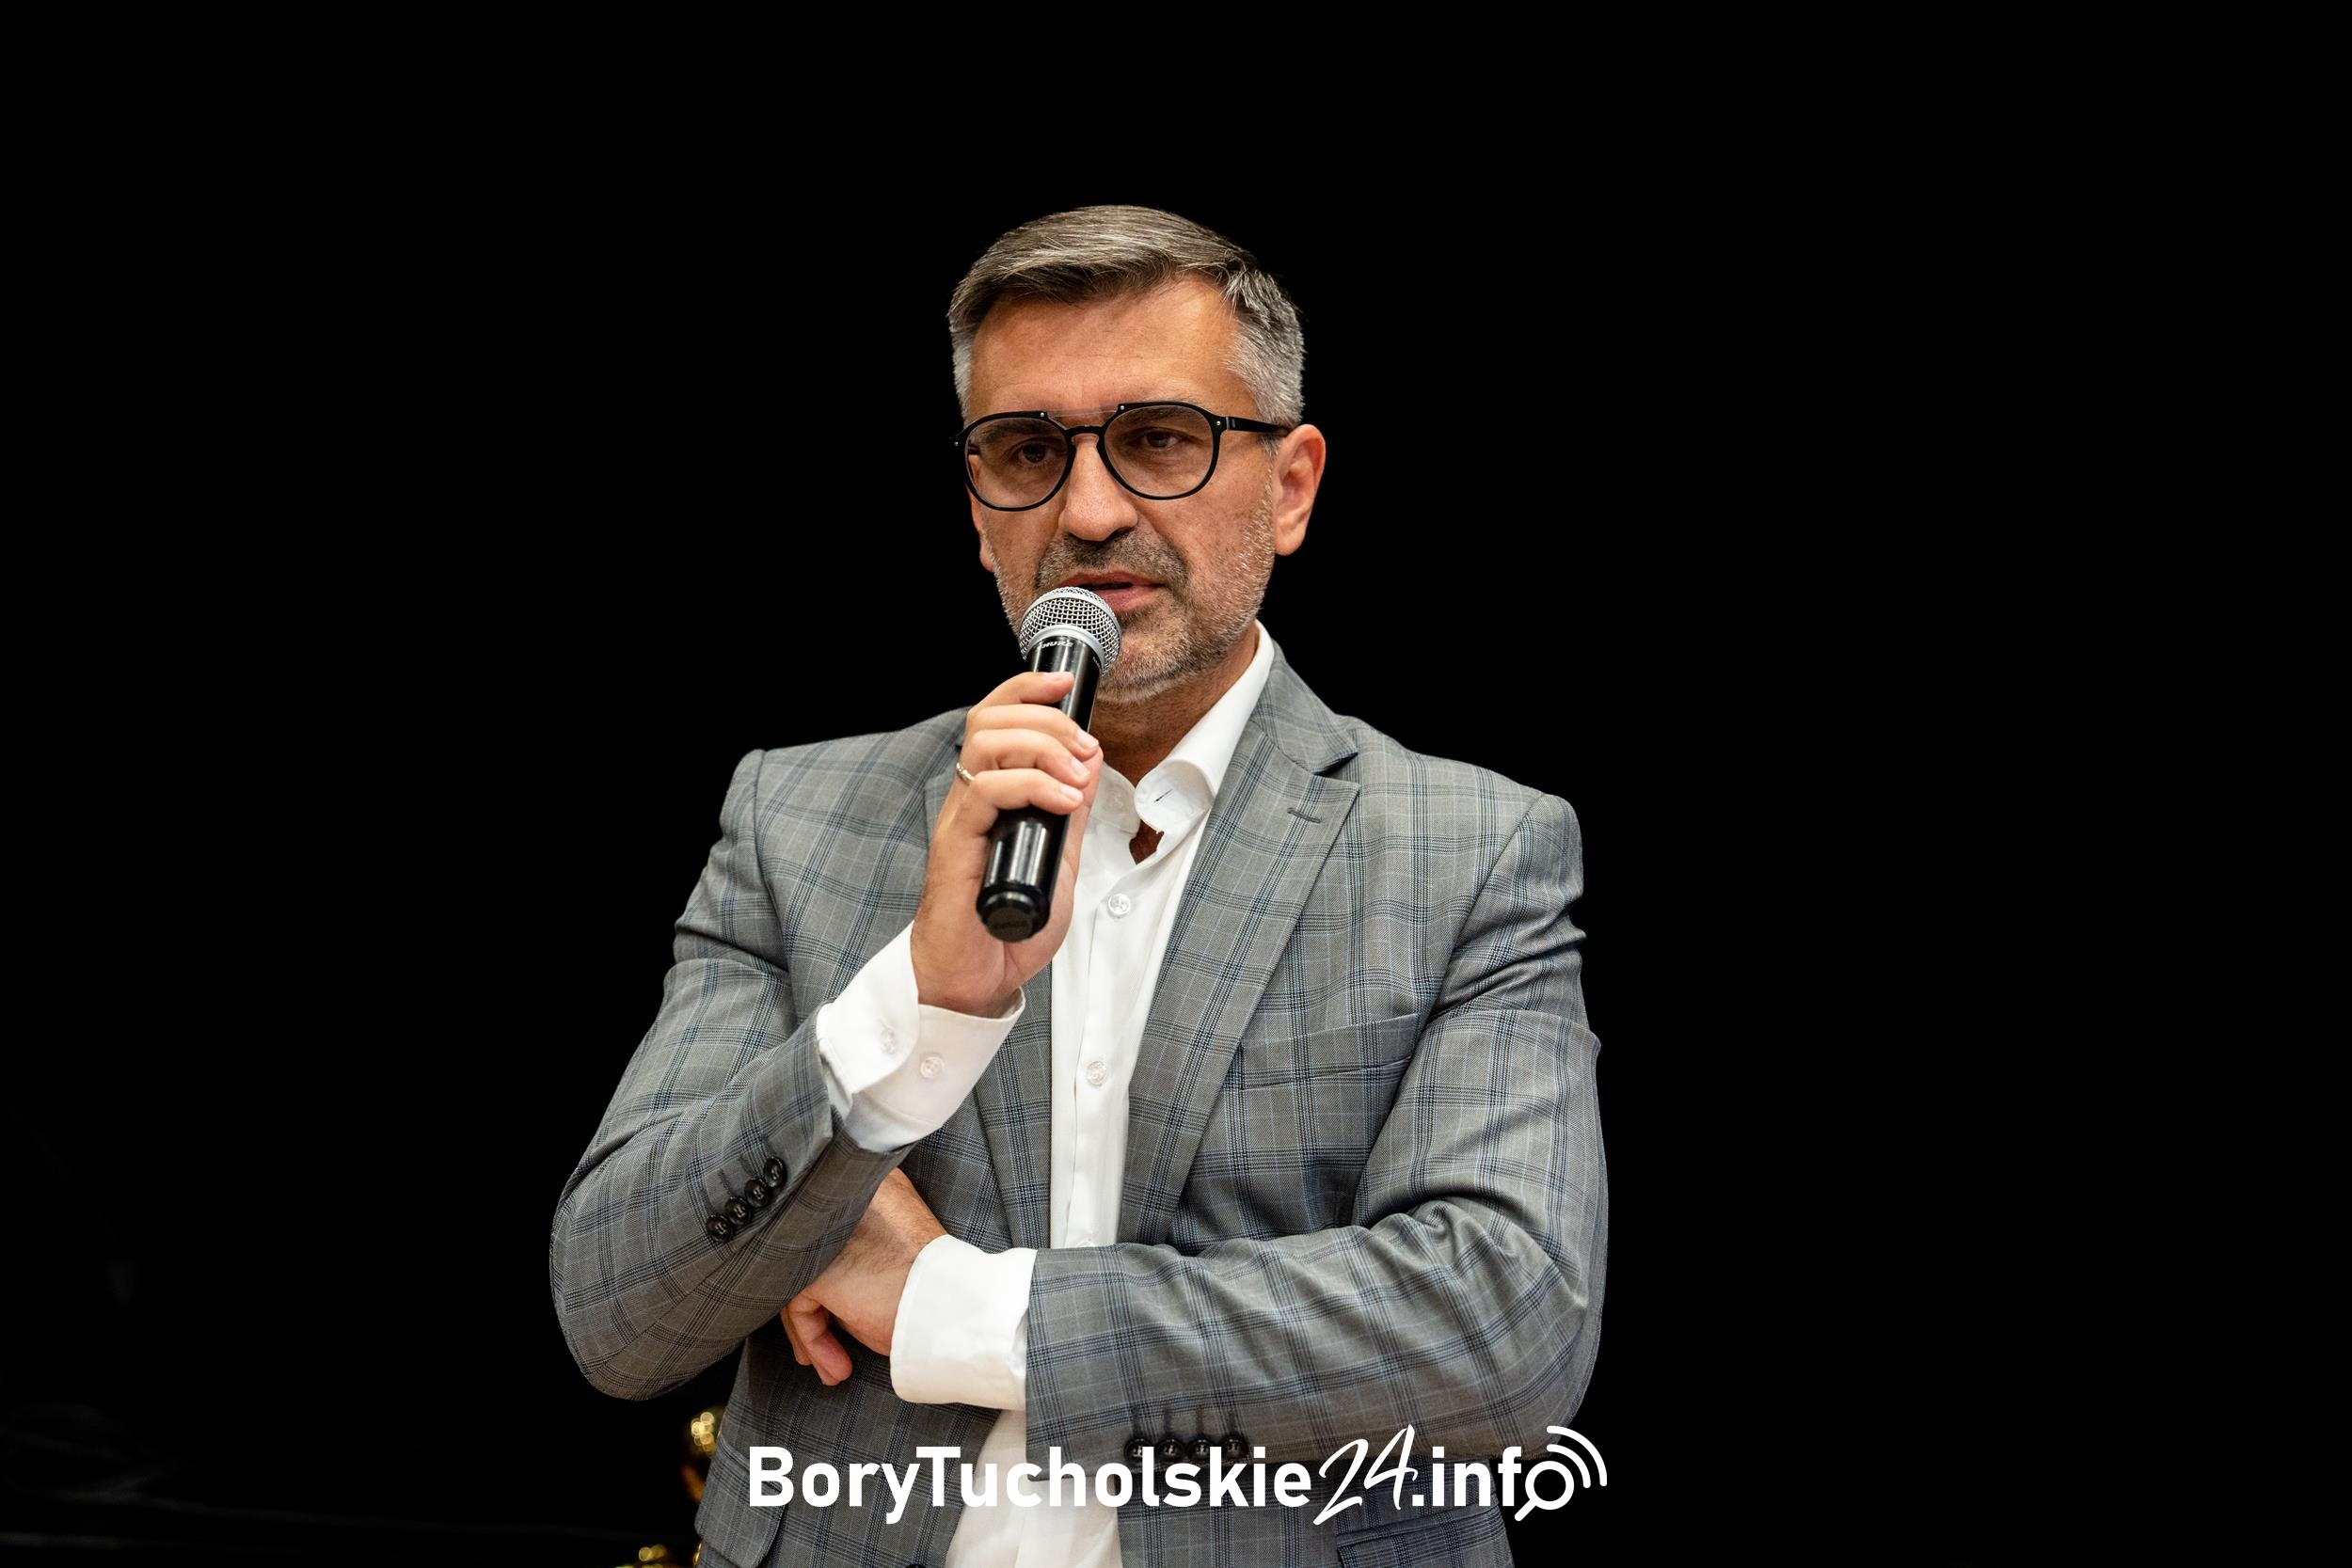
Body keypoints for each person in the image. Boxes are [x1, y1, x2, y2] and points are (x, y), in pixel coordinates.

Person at [549, 204, 1607, 1568]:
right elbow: (618, 1311)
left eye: (1160, 439)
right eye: (1028, 451)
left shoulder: (1472, 849)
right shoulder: (797, 819)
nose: (1091, 511)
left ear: (1291, 488)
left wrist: (944, 1306)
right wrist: (910, 1012)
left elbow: (1503, 1331)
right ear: (976, 507)